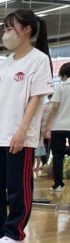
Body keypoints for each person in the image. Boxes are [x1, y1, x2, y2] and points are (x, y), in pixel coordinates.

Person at [0, 9, 53, 243]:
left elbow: (36, 98)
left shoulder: (39, 60)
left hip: (20, 136)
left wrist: (22, 129)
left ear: (26, 29)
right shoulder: (4, 64)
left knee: (18, 187)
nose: (6, 34)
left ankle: (15, 231)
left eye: (10, 29)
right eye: (4, 29)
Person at [44, 62, 70, 192]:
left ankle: (58, 184)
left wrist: (48, 125)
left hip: (58, 126)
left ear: (64, 74)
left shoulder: (60, 87)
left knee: (57, 156)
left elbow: (54, 107)